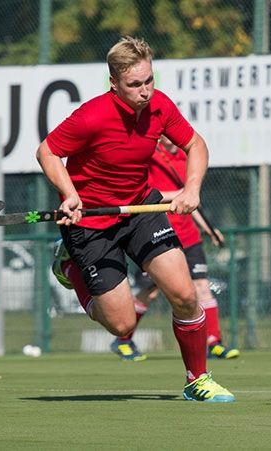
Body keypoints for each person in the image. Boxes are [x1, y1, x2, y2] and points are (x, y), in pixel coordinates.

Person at [36, 36, 234, 402]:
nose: (145, 91)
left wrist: (192, 189)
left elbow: (196, 145)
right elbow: (48, 151)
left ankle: (198, 379)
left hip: (140, 209)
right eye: (135, 85)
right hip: (91, 223)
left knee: (185, 294)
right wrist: (71, 194)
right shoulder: (92, 115)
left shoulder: (160, 106)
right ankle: (71, 266)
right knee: (122, 324)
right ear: (114, 83)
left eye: (149, 81)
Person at [51, 136, 240, 362]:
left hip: (189, 237)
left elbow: (190, 198)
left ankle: (214, 342)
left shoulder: (182, 157)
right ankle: (124, 339)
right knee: (148, 293)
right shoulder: (147, 155)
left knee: (200, 287)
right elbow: (140, 194)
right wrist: (175, 194)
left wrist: (209, 229)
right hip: (153, 231)